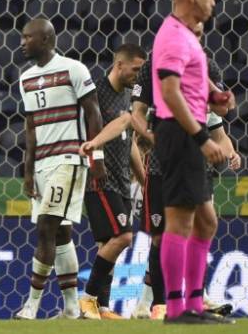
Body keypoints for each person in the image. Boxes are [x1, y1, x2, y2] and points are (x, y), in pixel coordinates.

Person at [130, 22, 239, 320]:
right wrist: (155, 139)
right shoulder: (155, 61)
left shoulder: (207, 63)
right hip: (163, 160)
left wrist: (222, 106)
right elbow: (136, 114)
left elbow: (219, 115)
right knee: (161, 234)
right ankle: (160, 303)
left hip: (195, 160)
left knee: (201, 225)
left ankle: (190, 299)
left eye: (201, 34)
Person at [151, 0, 234, 324]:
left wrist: (214, 96)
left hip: (187, 129)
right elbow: (169, 93)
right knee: (180, 221)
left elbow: (187, 86)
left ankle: (195, 305)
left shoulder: (187, 36)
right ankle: (175, 308)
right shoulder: (172, 36)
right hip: (180, 133)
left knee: (206, 221)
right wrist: (202, 138)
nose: (214, 2)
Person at [14, 18, 106, 320]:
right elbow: (30, 128)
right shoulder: (25, 78)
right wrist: (27, 171)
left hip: (68, 160)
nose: (22, 42)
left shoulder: (73, 69)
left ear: (46, 38)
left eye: (28, 37)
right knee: (62, 233)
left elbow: (94, 114)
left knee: (46, 228)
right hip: (41, 164)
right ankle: (70, 308)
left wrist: (97, 159)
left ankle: (31, 306)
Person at [77, 44, 147, 320]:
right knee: (123, 237)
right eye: (136, 69)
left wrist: (143, 179)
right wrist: (97, 162)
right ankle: (88, 299)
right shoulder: (95, 93)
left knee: (107, 244)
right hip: (100, 179)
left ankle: (101, 308)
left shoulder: (129, 96)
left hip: (121, 181)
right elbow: (91, 131)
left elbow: (129, 143)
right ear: (119, 65)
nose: (139, 76)